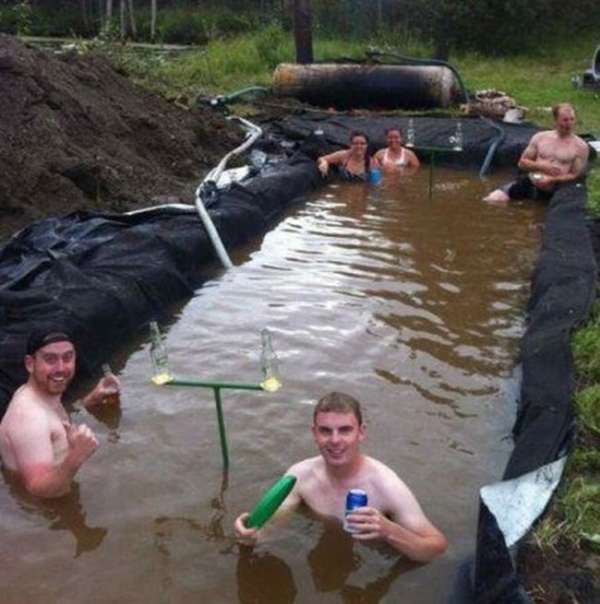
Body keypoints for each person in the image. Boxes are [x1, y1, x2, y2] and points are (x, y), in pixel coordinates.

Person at [234, 392, 448, 563]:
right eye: (326, 431)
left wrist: (389, 531)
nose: (335, 440)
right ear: (314, 433)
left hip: (368, 567)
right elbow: (271, 528)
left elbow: (436, 547)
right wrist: (250, 535)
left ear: (361, 433)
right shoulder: (300, 475)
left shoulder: (385, 485)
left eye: (345, 430)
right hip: (321, 556)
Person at [0, 328, 121, 498]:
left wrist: (89, 402)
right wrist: (76, 456)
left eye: (68, 357)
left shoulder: (43, 394)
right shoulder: (29, 418)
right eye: (50, 359)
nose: (61, 368)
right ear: (30, 364)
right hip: (47, 515)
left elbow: (54, 428)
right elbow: (39, 490)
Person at [483, 102, 589, 203]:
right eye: (565, 120)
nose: (569, 123)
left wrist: (552, 179)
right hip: (531, 182)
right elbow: (522, 163)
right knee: (493, 199)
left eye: (572, 119)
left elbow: (575, 175)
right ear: (556, 120)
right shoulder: (540, 138)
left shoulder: (580, 146)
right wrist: (543, 167)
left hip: (556, 189)